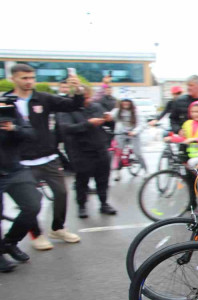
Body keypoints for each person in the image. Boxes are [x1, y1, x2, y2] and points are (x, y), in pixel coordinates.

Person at [5, 64, 81, 251]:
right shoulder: (6, 102)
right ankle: (36, 234)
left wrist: (77, 89)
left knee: (62, 194)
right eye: (24, 78)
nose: (29, 81)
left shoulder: (43, 98)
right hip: (21, 162)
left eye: (32, 77)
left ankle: (58, 228)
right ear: (13, 78)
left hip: (48, 157)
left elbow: (73, 105)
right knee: (32, 202)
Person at [58, 87, 117, 218]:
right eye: (84, 98)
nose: (87, 101)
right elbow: (66, 129)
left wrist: (109, 120)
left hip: (100, 149)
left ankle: (104, 203)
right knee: (82, 181)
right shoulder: (67, 110)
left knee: (103, 180)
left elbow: (108, 126)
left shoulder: (96, 107)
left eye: (89, 97)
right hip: (81, 152)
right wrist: (88, 123)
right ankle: (82, 206)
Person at [0, 102, 40, 271]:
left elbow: (31, 134)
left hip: (14, 170)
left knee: (32, 205)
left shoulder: (8, 109)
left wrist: (13, 128)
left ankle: (9, 242)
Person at [110, 99, 148, 180]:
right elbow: (110, 116)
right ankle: (117, 173)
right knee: (117, 153)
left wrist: (135, 131)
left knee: (138, 153)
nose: (125, 103)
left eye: (127, 101)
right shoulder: (117, 111)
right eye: (124, 101)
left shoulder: (136, 112)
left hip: (133, 134)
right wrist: (106, 116)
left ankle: (146, 171)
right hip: (121, 134)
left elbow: (142, 124)